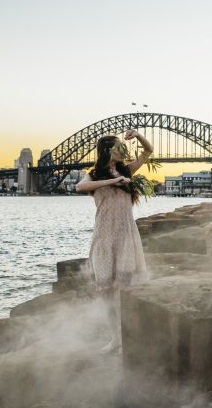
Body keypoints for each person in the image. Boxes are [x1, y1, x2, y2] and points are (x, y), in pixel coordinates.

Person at [75, 130, 152, 352]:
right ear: (109, 150)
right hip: (105, 236)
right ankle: (115, 339)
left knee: (126, 289)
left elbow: (148, 151)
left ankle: (131, 335)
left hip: (126, 234)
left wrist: (137, 135)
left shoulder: (128, 170)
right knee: (106, 291)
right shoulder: (95, 175)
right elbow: (80, 187)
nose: (124, 150)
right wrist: (113, 180)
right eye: (119, 146)